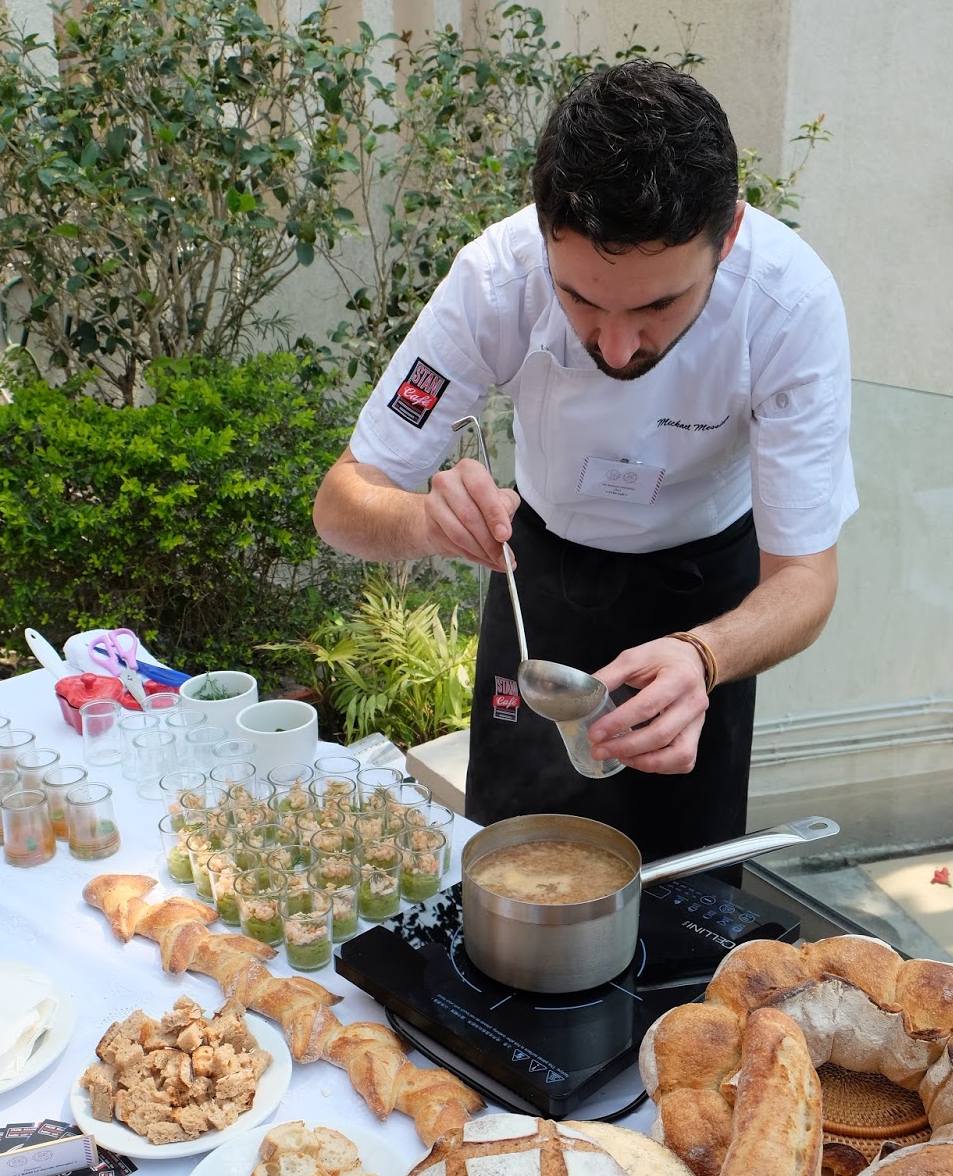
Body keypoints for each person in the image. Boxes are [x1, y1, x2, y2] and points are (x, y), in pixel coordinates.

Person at [312, 60, 856, 867]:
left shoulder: (788, 305)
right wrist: (425, 521)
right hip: (538, 585)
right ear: (543, 235)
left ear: (730, 235)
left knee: (687, 887)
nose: (617, 346)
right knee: (503, 866)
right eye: (581, 301)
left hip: (704, 599)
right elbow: (342, 501)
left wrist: (705, 656)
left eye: (658, 305)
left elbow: (806, 579)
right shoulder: (496, 280)